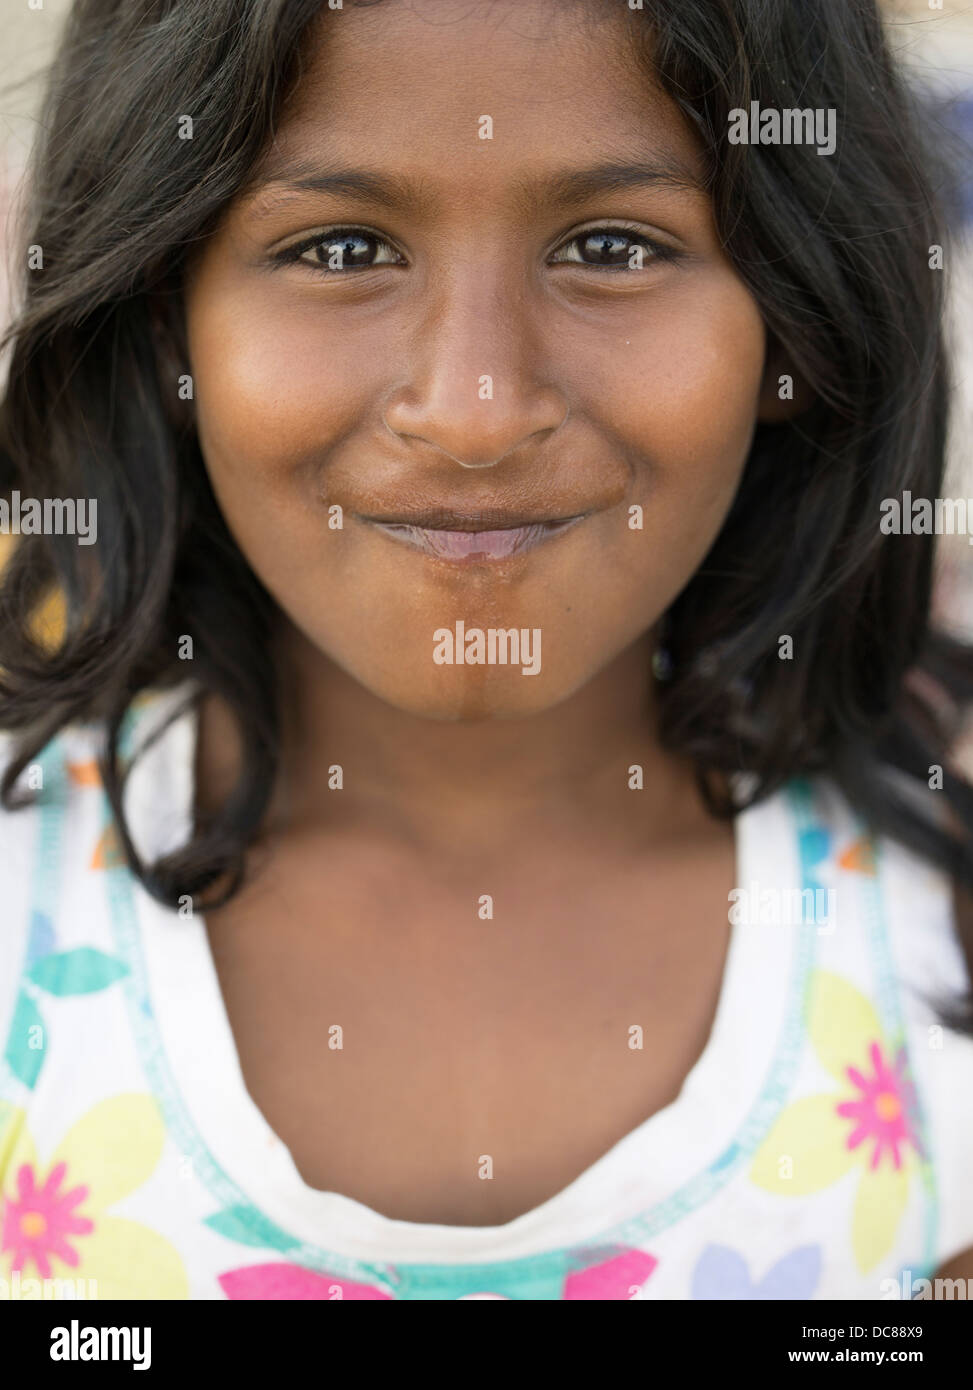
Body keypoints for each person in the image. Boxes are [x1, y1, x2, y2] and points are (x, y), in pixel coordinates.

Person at [0, 0, 971, 1301]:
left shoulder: (933, 934)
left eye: (612, 246)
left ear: (793, 325)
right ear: (168, 317)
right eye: (342, 248)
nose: (473, 411)